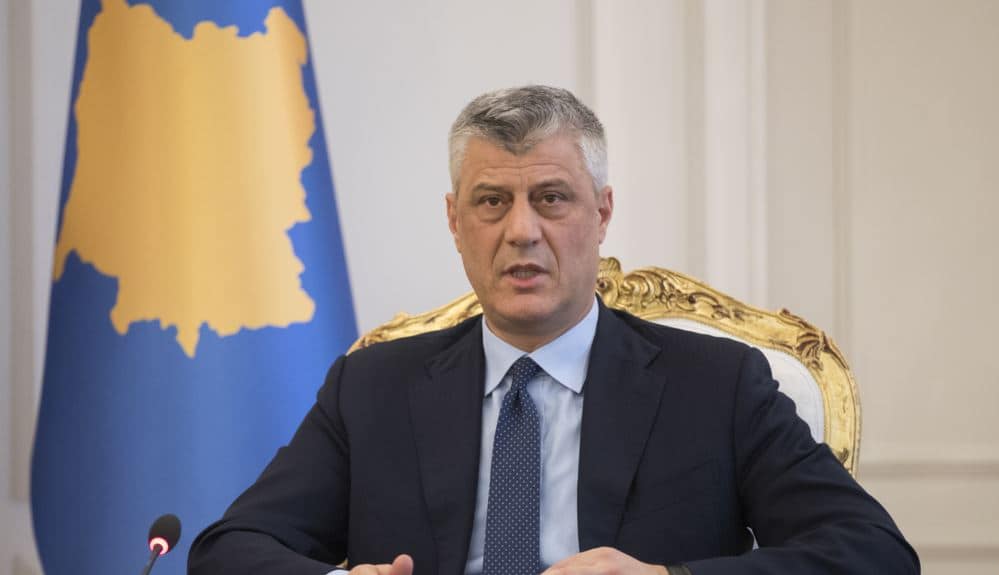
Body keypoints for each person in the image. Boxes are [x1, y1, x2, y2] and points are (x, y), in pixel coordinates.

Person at [189, 85, 919, 575]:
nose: (521, 231)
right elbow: (229, 549)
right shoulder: (373, 387)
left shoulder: (715, 384)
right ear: (454, 222)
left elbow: (873, 552)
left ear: (601, 214)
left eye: (550, 198)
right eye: (491, 201)